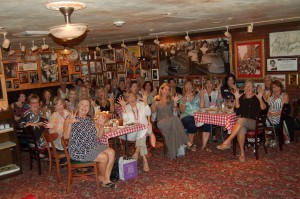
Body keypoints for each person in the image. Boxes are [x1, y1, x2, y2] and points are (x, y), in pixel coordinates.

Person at [63, 99, 116, 188]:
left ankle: (106, 179)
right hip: (79, 150)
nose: (84, 107)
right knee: (104, 157)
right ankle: (101, 178)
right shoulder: (70, 118)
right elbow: (65, 137)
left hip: (92, 146)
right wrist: (70, 124)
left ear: (89, 108)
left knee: (111, 152)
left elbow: (99, 136)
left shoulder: (90, 119)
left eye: (87, 105)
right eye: (82, 105)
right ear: (78, 106)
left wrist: (102, 125)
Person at [217, 79, 268, 163]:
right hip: (243, 123)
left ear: (253, 88)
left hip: (255, 123)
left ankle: (227, 142)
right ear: (244, 88)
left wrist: (260, 99)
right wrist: (237, 98)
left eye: (250, 86)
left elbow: (264, 108)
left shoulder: (257, 97)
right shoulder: (242, 98)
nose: (248, 88)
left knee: (241, 120)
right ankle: (242, 153)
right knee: (241, 127)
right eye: (246, 86)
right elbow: (237, 111)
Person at [151, 83, 196, 160]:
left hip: (171, 122)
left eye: (168, 90)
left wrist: (175, 102)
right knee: (175, 119)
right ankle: (187, 142)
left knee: (173, 124)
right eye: (165, 89)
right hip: (161, 123)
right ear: (161, 90)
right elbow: (153, 115)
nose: (167, 91)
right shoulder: (156, 98)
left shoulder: (171, 100)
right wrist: (154, 105)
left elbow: (175, 114)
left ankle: (172, 154)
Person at [118, 91, 151, 171]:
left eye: (133, 96)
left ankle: (140, 156)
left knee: (142, 131)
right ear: (127, 99)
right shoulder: (127, 107)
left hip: (144, 130)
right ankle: (143, 159)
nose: (131, 99)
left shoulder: (141, 104)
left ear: (136, 97)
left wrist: (145, 101)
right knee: (141, 133)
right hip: (132, 132)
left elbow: (148, 113)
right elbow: (126, 121)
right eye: (129, 97)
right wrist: (123, 107)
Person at [199, 78, 222, 151]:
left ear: (213, 85)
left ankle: (204, 145)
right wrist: (201, 96)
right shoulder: (202, 93)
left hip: (215, 115)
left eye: (210, 83)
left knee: (208, 121)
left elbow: (220, 102)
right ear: (205, 85)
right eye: (207, 83)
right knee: (207, 122)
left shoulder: (215, 93)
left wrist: (219, 92)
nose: (209, 85)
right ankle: (204, 145)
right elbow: (201, 107)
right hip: (205, 115)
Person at [179, 80, 200, 145]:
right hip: (185, 117)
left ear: (192, 87)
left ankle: (190, 143)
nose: (188, 86)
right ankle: (191, 143)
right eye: (186, 85)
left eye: (190, 84)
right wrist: (184, 102)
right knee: (190, 120)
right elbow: (182, 111)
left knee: (192, 124)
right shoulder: (181, 97)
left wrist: (202, 97)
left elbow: (202, 107)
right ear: (184, 87)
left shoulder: (197, 96)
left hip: (197, 117)